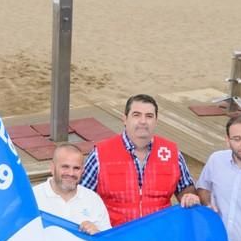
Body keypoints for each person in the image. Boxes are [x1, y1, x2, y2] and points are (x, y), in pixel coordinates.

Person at [80, 93, 200, 227]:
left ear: (156, 121)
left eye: (149, 116)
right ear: (125, 119)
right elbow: (80, 197)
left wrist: (190, 197)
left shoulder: (172, 154)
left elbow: (186, 190)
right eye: (136, 115)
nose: (143, 121)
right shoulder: (100, 154)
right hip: (115, 238)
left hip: (159, 238)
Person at [33, 143, 111, 235]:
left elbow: (107, 240)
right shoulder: (33, 198)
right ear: (52, 168)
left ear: (82, 171)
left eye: (76, 168)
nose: (71, 173)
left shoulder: (93, 200)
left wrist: (97, 233)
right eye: (65, 167)